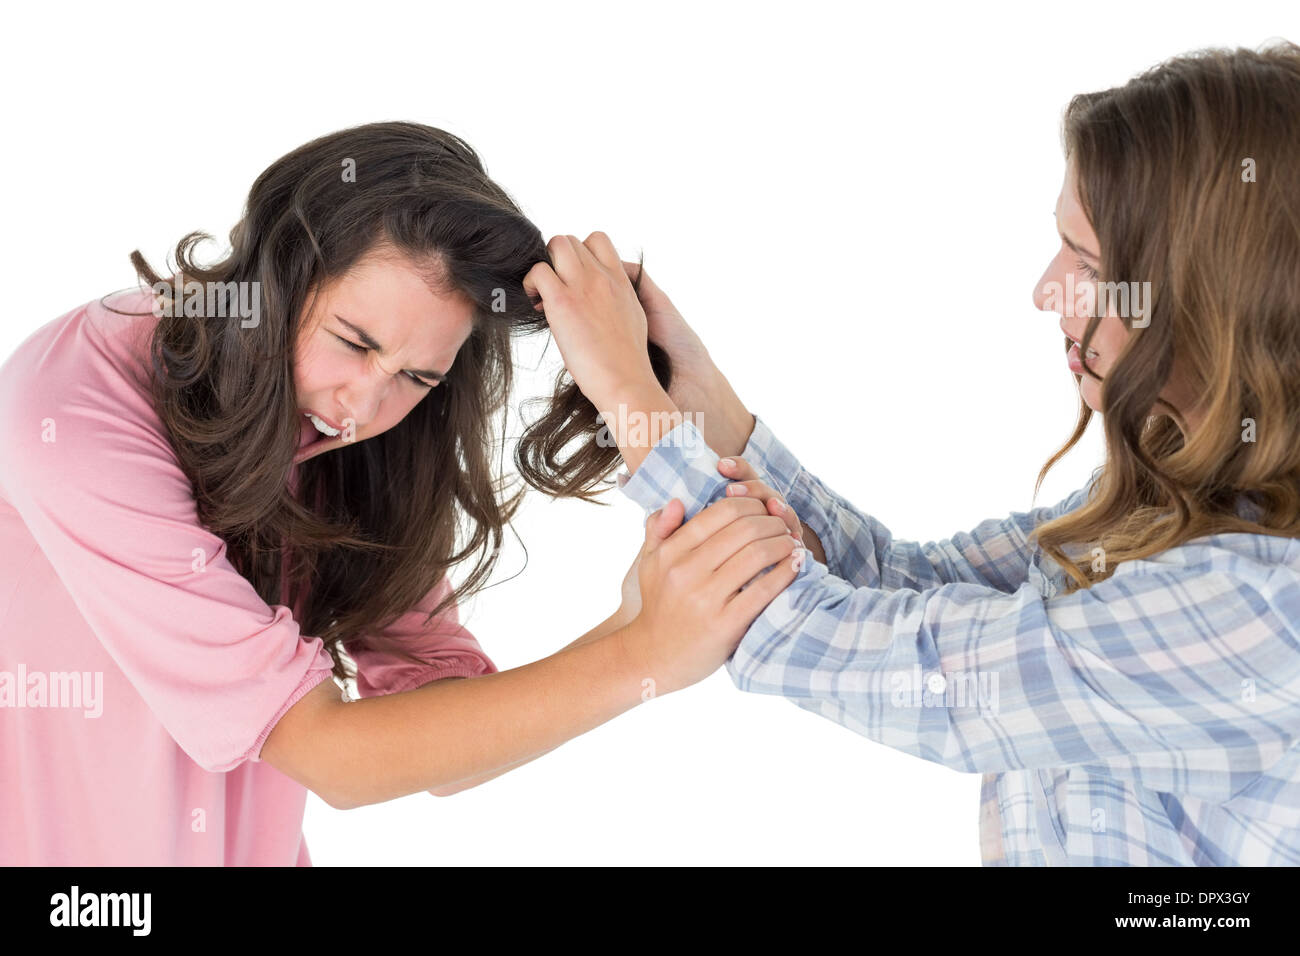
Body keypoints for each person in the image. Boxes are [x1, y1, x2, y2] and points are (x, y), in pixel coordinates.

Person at [526, 42, 1300, 865]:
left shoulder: (1253, 607)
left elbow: (903, 667)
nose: (1045, 291)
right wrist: (700, 404)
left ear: (1217, 300)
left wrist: (630, 403)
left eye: (1089, 264)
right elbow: (898, 581)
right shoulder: (1181, 501)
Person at [0, 121, 800, 865]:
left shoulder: (359, 438)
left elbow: (441, 736)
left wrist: (635, 619)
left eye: (418, 376)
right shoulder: (72, 410)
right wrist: (643, 654)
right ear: (280, 272)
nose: (363, 407)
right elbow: (329, 754)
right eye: (353, 341)